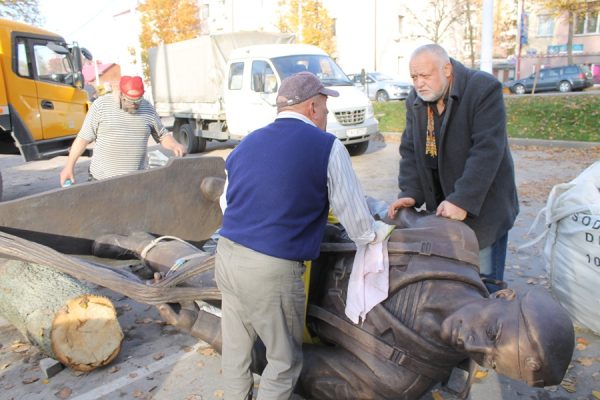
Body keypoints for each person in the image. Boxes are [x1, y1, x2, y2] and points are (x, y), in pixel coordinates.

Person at [90, 208, 574, 400]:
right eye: (492, 333)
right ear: (506, 294)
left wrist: (204, 328)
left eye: (488, 358)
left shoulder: (398, 379)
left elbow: (293, 367)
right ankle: (143, 240)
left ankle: (143, 247)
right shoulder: (453, 241)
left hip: (280, 306)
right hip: (303, 237)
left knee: (203, 276)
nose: (473, 343)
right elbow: (383, 215)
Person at [216, 71, 392, 399]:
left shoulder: (248, 142)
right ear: (312, 107)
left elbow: (227, 202)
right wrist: (375, 234)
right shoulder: (326, 146)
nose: (326, 116)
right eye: (325, 108)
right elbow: (356, 219)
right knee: (283, 362)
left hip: (227, 255)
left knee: (237, 353)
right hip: (270, 270)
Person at [387, 44, 519, 293]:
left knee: (484, 286)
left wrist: (462, 201)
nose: (419, 83)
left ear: (447, 69)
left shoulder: (482, 88)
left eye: (425, 76)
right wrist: (410, 192)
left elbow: (487, 151)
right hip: (445, 213)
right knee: (453, 287)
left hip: (484, 210)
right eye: (414, 77)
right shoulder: (416, 100)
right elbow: (411, 150)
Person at [60, 76, 186, 185]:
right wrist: (69, 167)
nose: (134, 105)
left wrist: (175, 144)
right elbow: (82, 139)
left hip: (136, 181)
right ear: (121, 93)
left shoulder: (147, 109)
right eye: (130, 101)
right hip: (102, 182)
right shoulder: (101, 106)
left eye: (138, 101)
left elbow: (162, 136)